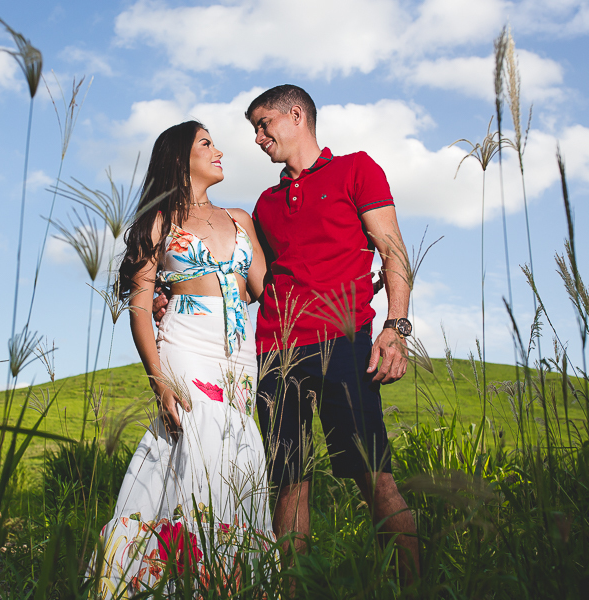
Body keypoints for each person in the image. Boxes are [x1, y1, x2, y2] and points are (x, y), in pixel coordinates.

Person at [156, 85, 421, 584]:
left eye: (264, 124)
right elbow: (244, 278)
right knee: (287, 485)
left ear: (296, 115)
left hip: (344, 343)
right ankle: (288, 591)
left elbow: (393, 252)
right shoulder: (266, 203)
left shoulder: (357, 169)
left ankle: (416, 590)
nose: (257, 138)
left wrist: (395, 327)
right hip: (274, 354)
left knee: (375, 478)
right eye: (254, 129)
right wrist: (171, 291)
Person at [91, 121, 275, 597]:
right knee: (195, 446)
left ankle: (230, 582)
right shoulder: (159, 223)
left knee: (236, 453)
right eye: (206, 143)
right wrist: (159, 381)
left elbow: (265, 290)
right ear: (179, 158)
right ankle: (171, 579)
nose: (219, 150)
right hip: (186, 346)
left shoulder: (240, 218)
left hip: (239, 357)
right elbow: (139, 308)